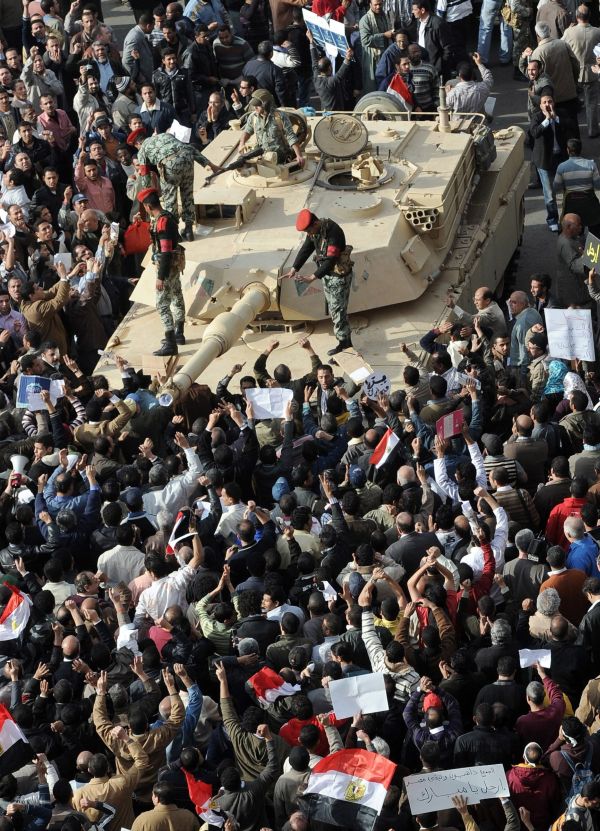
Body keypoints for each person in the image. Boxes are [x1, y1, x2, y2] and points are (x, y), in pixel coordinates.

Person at [283, 210, 353, 355]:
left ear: (315, 223)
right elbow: (306, 248)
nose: (309, 234)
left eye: (309, 230)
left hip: (337, 277)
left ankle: (345, 347)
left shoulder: (333, 232)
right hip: (327, 275)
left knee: (338, 313)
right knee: (336, 312)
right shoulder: (314, 231)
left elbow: (330, 261)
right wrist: (294, 268)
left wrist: (312, 277)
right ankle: (345, 342)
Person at [136, 132, 217, 241]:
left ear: (137, 144)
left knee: (170, 200)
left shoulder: (142, 149)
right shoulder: (165, 135)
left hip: (170, 164)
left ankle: (175, 233)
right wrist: (209, 164)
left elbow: (145, 172)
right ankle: (189, 231)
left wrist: (148, 194)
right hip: (187, 157)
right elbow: (189, 148)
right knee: (188, 194)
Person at [141, 189, 186, 356]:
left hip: (166, 267)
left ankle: (170, 343)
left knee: (162, 304)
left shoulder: (162, 224)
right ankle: (179, 333)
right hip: (175, 265)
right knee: (177, 295)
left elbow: (165, 252)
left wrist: (160, 277)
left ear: (147, 206)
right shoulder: (167, 216)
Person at [528, 89, 575, 233]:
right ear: (540, 105)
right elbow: (535, 133)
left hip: (561, 158)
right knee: (549, 194)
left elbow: (571, 128)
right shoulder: (537, 118)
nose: (547, 104)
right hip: (545, 160)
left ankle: (568, 218)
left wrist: (556, 119)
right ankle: (552, 219)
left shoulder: (561, 115)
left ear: (554, 102)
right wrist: (547, 120)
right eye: (544, 102)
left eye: (549, 101)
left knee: (567, 190)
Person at [237, 89, 303, 167]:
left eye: (258, 105)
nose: (255, 108)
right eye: (254, 105)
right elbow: (247, 131)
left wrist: (299, 155)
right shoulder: (253, 117)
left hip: (279, 157)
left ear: (266, 104)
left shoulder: (280, 117)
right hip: (261, 155)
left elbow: (290, 136)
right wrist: (242, 143)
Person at [554, 138, 600, 235]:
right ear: (580, 150)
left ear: (568, 150)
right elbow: (598, 185)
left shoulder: (562, 167)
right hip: (590, 204)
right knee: (596, 232)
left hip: (571, 205)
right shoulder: (591, 165)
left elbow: (556, 187)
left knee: (574, 236)